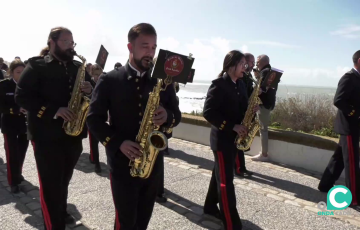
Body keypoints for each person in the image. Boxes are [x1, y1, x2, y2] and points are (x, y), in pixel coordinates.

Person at [87, 22, 181, 230]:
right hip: (122, 163)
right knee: (126, 221)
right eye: (145, 46)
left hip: (152, 163)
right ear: (130, 47)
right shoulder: (109, 80)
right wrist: (118, 143)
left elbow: (177, 115)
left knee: (143, 220)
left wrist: (167, 115)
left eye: (154, 47)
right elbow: (93, 119)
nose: (150, 52)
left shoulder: (162, 82)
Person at [15, 26, 93, 230]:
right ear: (52, 42)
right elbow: (21, 97)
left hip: (72, 135)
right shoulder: (36, 65)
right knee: (51, 185)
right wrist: (54, 110)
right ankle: (54, 224)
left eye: (72, 42)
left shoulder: (78, 67)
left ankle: (60, 211)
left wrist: (90, 89)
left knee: (63, 180)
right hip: (45, 135)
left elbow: (94, 94)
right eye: (65, 42)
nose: (70, 46)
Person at [203, 50, 258, 230]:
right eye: (242, 63)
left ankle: (210, 207)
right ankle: (231, 222)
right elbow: (209, 113)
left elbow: (241, 108)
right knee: (226, 181)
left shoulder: (241, 84)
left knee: (219, 173)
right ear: (231, 65)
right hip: (221, 141)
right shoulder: (218, 85)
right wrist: (232, 126)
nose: (246, 67)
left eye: (246, 64)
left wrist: (251, 110)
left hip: (234, 140)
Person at [318, 50, 360, 207]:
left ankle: (325, 184)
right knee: (352, 162)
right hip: (349, 126)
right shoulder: (349, 78)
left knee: (339, 158)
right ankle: (355, 198)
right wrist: (355, 114)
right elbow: (338, 100)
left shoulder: (357, 78)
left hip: (353, 126)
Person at [0, 59, 29, 193]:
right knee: (11, 153)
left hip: (25, 124)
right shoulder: (4, 85)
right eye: (18, 72)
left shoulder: (29, 86)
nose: (21, 75)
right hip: (9, 124)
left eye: (23, 72)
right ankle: (13, 182)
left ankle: (18, 173)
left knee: (22, 152)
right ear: (11, 73)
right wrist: (15, 109)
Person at [251, 54, 276, 162]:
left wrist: (257, 77)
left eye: (257, 62)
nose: (256, 64)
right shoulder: (272, 72)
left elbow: (260, 89)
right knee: (263, 128)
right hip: (269, 104)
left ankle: (264, 154)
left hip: (263, 105)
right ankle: (263, 153)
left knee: (263, 129)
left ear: (263, 62)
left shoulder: (265, 72)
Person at [234, 53, 255, 177]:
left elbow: (249, 93)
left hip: (245, 112)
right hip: (240, 113)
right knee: (237, 142)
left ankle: (241, 167)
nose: (253, 65)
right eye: (251, 62)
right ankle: (238, 168)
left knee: (240, 141)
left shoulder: (248, 75)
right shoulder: (241, 77)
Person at [87, 63, 104, 173]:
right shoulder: (90, 84)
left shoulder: (104, 82)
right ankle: (96, 163)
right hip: (92, 115)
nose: (97, 76)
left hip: (102, 115)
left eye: (99, 74)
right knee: (93, 142)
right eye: (95, 74)